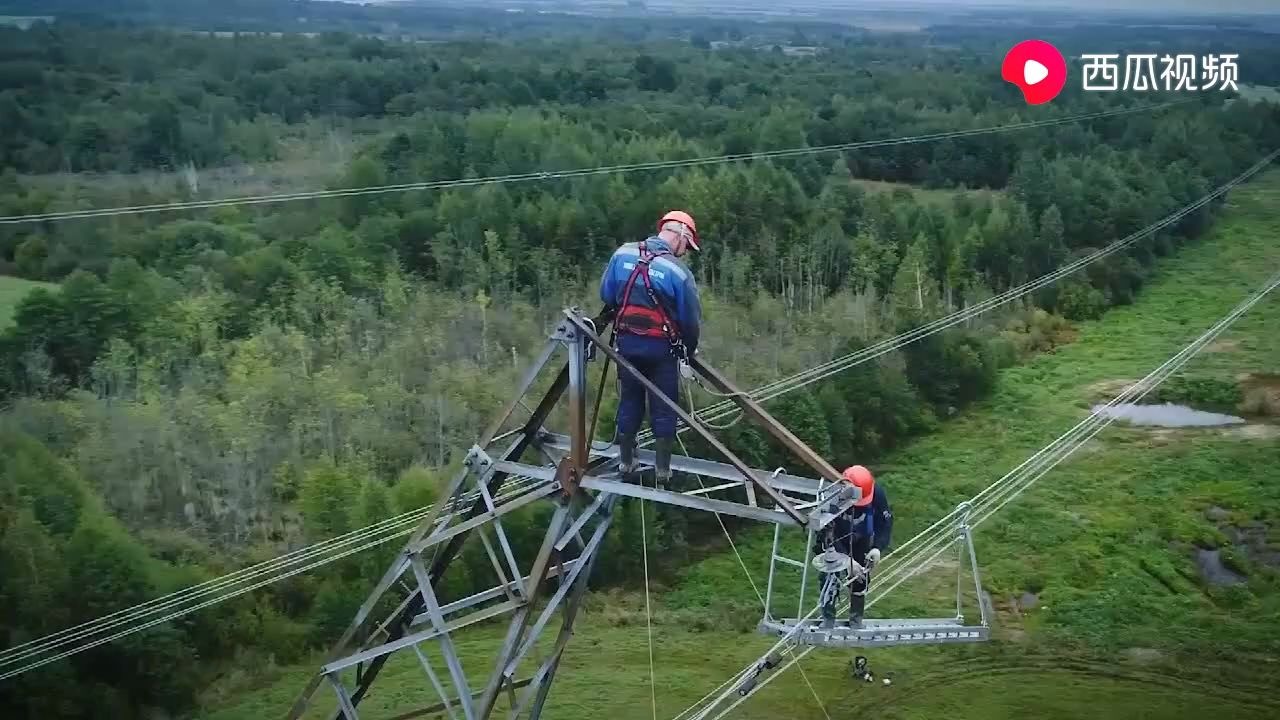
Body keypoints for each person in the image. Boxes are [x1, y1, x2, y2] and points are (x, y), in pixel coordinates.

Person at [599, 210, 702, 487]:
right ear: (680, 236)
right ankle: (663, 469)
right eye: (687, 245)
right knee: (664, 405)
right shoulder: (678, 272)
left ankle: (626, 460)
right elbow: (690, 320)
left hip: (627, 344)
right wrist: (689, 350)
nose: (685, 252)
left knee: (630, 400)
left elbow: (607, 294)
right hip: (661, 349)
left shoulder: (622, 254)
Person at [814, 465, 893, 629]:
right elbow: (826, 533)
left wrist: (877, 547)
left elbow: (885, 523)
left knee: (861, 576)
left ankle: (856, 619)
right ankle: (827, 618)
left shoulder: (876, 493)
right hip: (834, 541)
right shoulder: (831, 497)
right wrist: (846, 560)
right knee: (830, 577)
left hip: (861, 537)